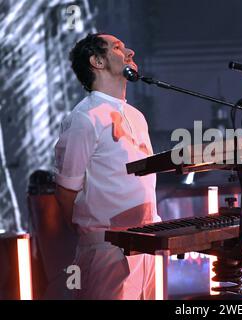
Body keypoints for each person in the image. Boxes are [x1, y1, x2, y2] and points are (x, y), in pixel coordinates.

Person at [54, 33, 160, 299]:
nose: (130, 52)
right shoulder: (83, 118)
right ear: (97, 61)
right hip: (107, 249)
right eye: (117, 47)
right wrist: (91, 236)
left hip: (146, 244)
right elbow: (65, 192)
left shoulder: (136, 115)